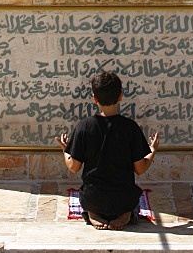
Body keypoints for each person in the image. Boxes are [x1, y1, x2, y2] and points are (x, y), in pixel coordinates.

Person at [55, 70, 159, 230]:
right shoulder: (130, 128)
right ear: (120, 96)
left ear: (94, 98)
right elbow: (140, 168)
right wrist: (152, 150)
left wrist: (66, 150)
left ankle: (93, 214)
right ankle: (125, 214)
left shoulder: (84, 127)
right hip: (123, 199)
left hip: (93, 198)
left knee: (89, 196)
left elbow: (73, 167)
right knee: (131, 198)